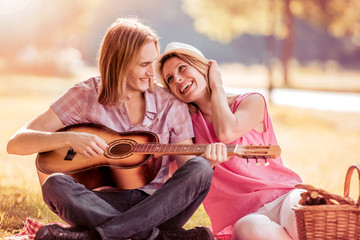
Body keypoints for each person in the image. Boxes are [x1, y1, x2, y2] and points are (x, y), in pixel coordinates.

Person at [6, 19, 215, 240]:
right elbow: (16, 142)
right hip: (97, 203)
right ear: (120, 62)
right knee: (54, 184)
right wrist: (69, 139)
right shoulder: (85, 95)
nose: (152, 73)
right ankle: (156, 237)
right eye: (144, 64)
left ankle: (93, 237)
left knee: (200, 168)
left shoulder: (170, 104)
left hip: (158, 205)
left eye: (153, 63)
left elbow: (188, 172)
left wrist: (208, 162)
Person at [156, 42, 304, 240]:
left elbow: (227, 132)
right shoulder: (184, 129)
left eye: (182, 68)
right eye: (170, 79)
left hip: (283, 196)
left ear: (203, 67)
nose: (178, 79)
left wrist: (216, 85)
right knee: (252, 229)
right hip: (247, 218)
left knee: (299, 216)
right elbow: (177, 178)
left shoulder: (251, 101)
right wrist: (206, 164)